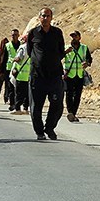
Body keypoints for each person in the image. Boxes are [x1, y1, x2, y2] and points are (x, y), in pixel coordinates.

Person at [26, 8, 65, 140]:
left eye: (48, 16)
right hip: (37, 76)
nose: (46, 18)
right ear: (39, 17)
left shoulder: (57, 33)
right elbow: (29, 51)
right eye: (43, 16)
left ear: (51, 17)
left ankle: (49, 128)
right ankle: (39, 132)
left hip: (54, 76)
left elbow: (61, 51)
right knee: (36, 106)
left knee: (57, 105)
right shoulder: (33, 33)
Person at [63, 30, 93, 122]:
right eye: (72, 36)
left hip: (79, 75)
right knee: (69, 94)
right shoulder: (66, 48)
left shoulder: (84, 48)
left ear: (79, 38)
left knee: (77, 95)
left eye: (75, 36)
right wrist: (65, 52)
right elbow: (59, 57)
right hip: (69, 75)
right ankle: (70, 112)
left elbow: (89, 59)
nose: (73, 38)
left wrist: (86, 63)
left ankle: (73, 113)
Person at [9, 34, 30, 114]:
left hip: (21, 74)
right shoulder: (33, 48)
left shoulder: (23, 48)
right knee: (27, 93)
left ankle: (17, 108)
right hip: (29, 74)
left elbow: (18, 58)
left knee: (19, 93)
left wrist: (13, 59)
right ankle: (25, 108)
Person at [3, 29, 22, 109]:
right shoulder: (7, 45)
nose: (14, 36)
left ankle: (17, 103)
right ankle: (12, 104)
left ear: (18, 35)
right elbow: (4, 58)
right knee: (10, 87)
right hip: (9, 69)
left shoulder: (22, 46)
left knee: (18, 88)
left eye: (16, 35)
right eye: (13, 35)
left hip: (19, 69)